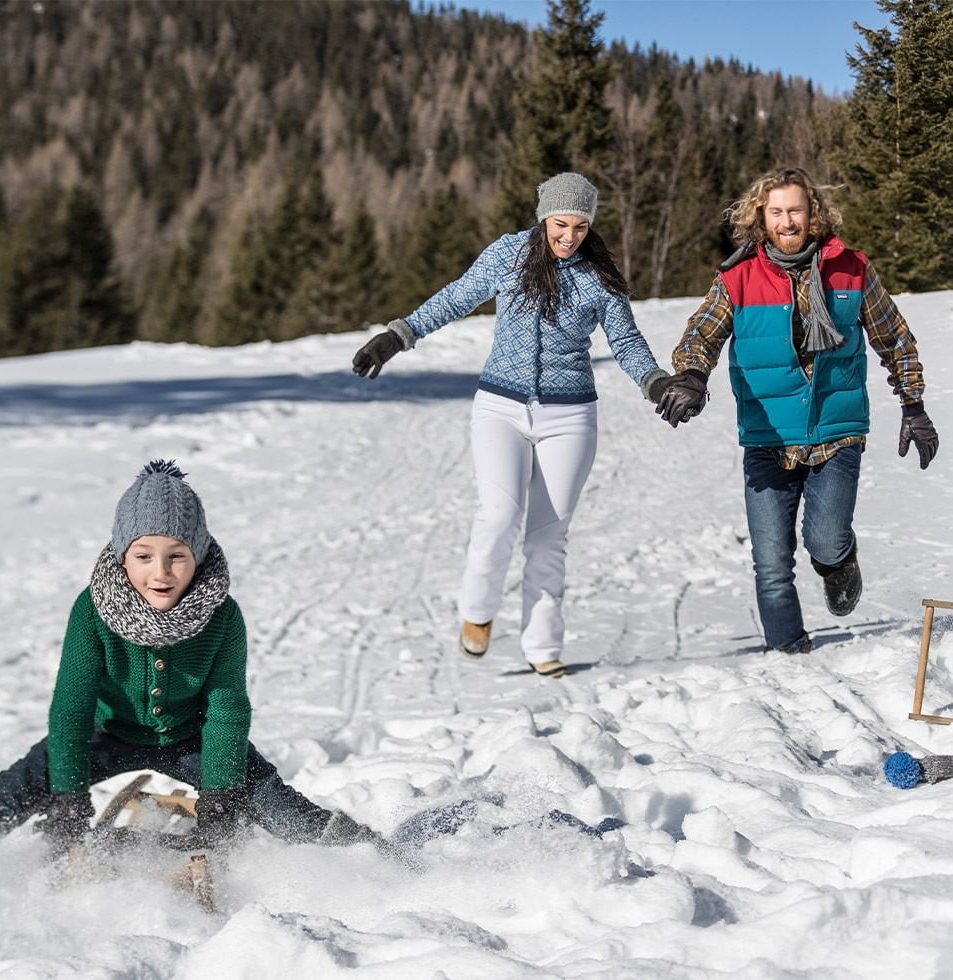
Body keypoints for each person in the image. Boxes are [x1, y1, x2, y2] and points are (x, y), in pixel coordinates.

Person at [352, 172, 683, 678]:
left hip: (569, 415)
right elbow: (456, 297)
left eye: (579, 226)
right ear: (543, 217)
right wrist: (397, 336)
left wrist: (655, 382)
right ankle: (478, 611)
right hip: (500, 408)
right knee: (499, 517)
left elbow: (627, 341)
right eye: (559, 224)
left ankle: (543, 644)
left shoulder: (598, 276)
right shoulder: (507, 255)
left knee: (548, 537)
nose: (569, 236)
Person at [0, 460, 378, 852]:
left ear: (198, 556)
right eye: (144, 556)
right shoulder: (92, 609)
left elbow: (227, 708)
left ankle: (365, 853)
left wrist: (221, 792)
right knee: (17, 787)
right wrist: (67, 792)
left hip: (192, 737)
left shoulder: (221, 614)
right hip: (105, 734)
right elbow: (71, 706)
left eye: (176, 556)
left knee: (272, 800)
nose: (161, 573)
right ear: (122, 556)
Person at [659, 167, 938, 653]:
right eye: (776, 212)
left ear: (813, 215)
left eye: (795, 210)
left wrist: (913, 405)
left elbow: (894, 338)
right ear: (760, 218)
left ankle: (839, 561)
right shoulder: (737, 277)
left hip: (836, 429)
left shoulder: (851, 269)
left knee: (825, 540)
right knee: (771, 562)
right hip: (768, 437)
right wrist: (691, 376)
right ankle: (788, 651)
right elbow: (701, 334)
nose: (787, 221)